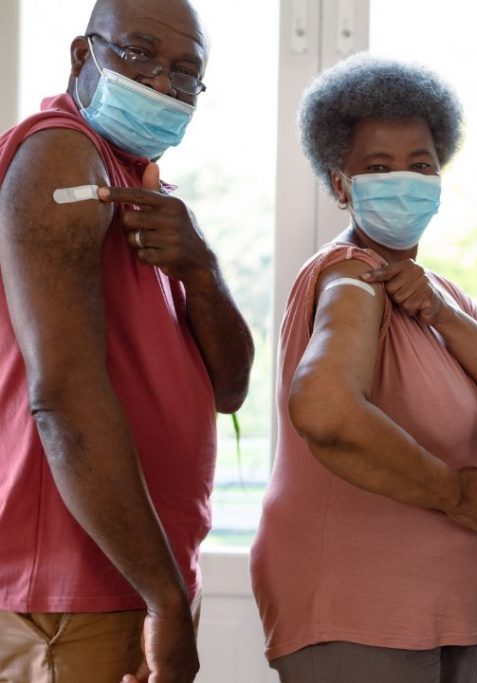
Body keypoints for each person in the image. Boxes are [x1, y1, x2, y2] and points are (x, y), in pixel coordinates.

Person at [250, 53, 477, 683]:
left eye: (421, 164)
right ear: (341, 183)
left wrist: (440, 313)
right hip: (360, 605)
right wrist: (450, 492)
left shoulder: (442, 295)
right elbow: (325, 409)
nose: (403, 180)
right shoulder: (352, 278)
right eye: (378, 167)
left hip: (444, 607)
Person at [0, 0, 254, 682]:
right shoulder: (61, 152)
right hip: (68, 599)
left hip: (137, 583)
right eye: (139, 54)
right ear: (83, 57)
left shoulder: (147, 189)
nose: (162, 84)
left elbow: (231, 388)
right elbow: (63, 400)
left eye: (185, 72)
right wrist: (166, 601)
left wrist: (201, 268)